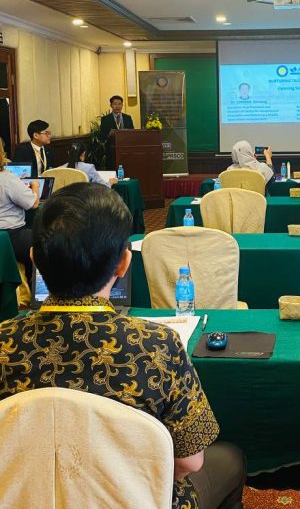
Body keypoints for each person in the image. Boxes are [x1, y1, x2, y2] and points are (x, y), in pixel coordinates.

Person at [0, 183, 245, 509]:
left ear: (34, 259)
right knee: (230, 457)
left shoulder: (4, 342)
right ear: (123, 263)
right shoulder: (157, 346)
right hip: (136, 500)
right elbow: (190, 462)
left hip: (24, 499)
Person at [0, 139, 39, 283]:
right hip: (10, 237)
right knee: (44, 241)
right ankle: (33, 287)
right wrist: (35, 186)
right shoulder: (7, 179)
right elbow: (33, 204)